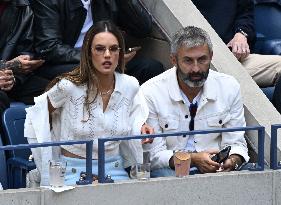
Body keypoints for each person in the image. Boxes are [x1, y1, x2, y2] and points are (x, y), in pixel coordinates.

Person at [25, 20, 152, 186]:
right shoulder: (68, 87)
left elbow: (134, 116)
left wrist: (141, 126)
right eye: (100, 49)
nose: (107, 55)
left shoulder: (130, 84)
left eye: (113, 49)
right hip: (73, 173)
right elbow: (38, 116)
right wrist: (49, 162)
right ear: (88, 52)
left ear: (120, 53)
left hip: (115, 170)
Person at [141, 26, 249, 177]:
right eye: (188, 61)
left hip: (217, 168)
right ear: (174, 60)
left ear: (211, 56)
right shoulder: (150, 92)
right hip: (172, 170)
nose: (196, 69)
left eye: (202, 59)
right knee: (163, 176)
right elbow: (153, 156)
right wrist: (192, 160)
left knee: (253, 171)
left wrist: (232, 160)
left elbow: (237, 143)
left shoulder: (229, 87)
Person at [32, 0, 165, 84]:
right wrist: (96, 57)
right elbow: (48, 47)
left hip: (106, 60)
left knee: (150, 68)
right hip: (64, 63)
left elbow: (142, 29)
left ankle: (141, 124)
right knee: (92, 72)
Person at [191, 0, 281, 109]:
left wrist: (241, 34)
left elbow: (245, 16)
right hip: (195, 64)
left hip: (233, 59)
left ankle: (275, 121)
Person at [0, 0, 49, 106]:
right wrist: (7, 65)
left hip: (8, 76)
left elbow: (25, 52)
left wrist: (13, 79)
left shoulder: (24, 7)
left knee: (56, 92)